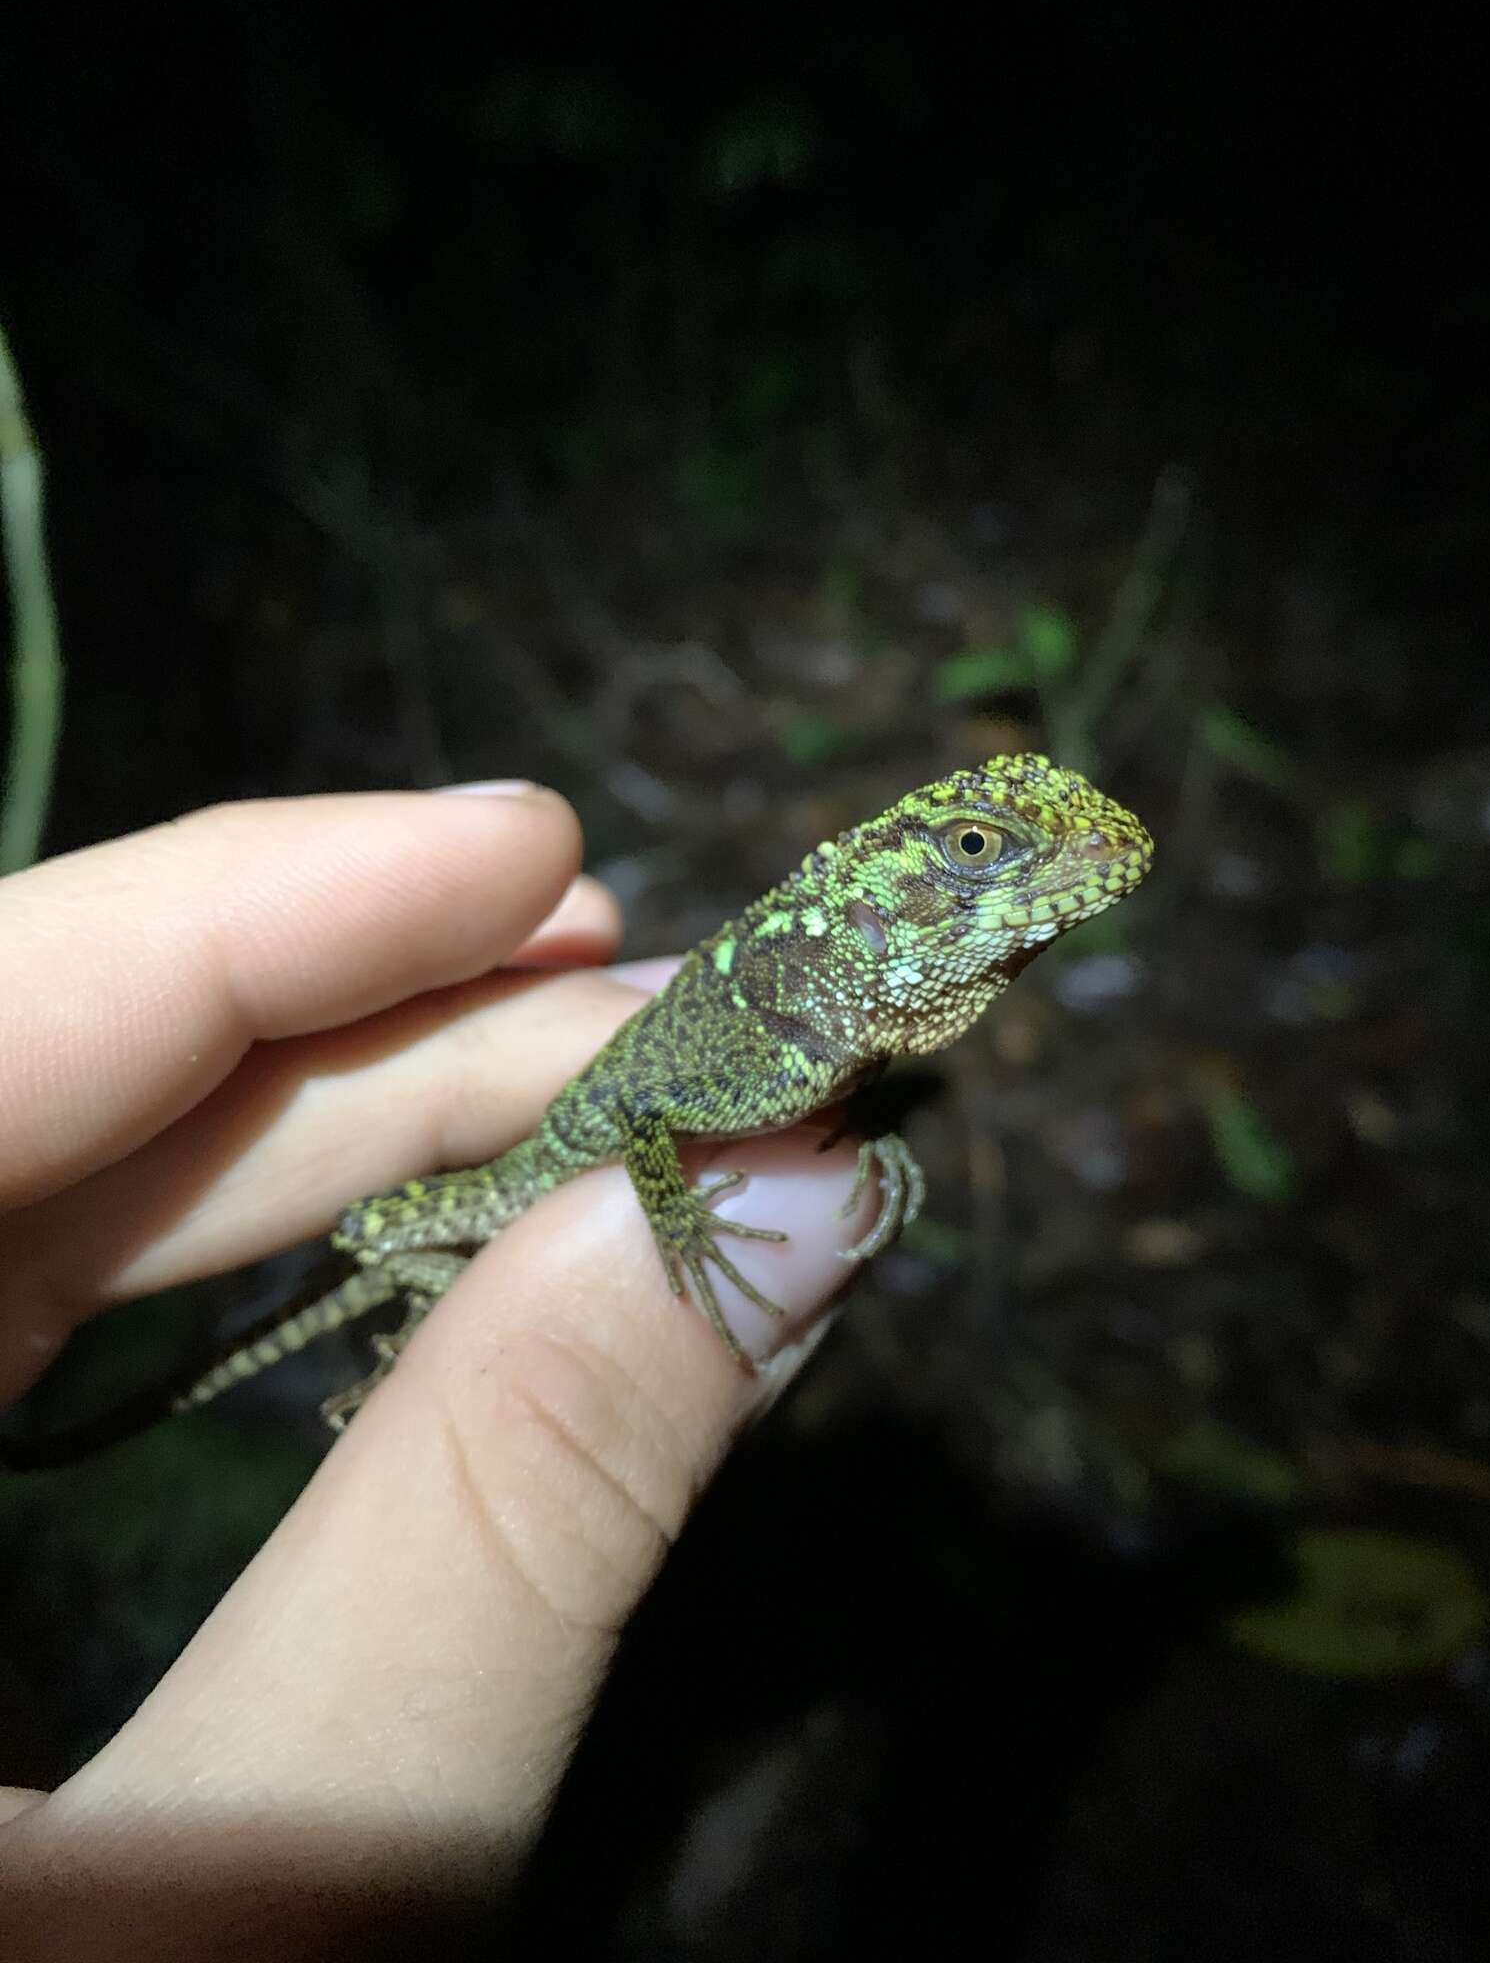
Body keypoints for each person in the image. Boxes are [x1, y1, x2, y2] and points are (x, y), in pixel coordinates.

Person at [0, 784, 876, 1957]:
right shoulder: (770, 1056)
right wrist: (682, 1231)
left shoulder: (815, 1027)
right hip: (524, 1174)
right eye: (973, 851)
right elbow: (657, 1111)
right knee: (373, 1236)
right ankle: (408, 1298)